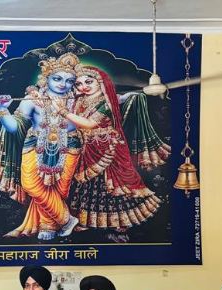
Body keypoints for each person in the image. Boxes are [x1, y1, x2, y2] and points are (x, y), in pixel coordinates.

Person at [0, 53, 81, 239]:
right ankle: (67, 220)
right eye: (57, 78)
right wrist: (1, 108)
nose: (63, 84)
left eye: (69, 81)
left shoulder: (79, 101)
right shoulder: (32, 100)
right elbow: (14, 127)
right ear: (46, 78)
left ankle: (48, 226)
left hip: (69, 146)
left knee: (59, 190)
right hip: (35, 145)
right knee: (31, 185)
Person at [67, 66, 163, 232]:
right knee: (88, 186)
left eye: (89, 82)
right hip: (88, 148)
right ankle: (86, 221)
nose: (84, 87)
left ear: (100, 82)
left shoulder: (106, 103)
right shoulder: (80, 100)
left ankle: (122, 221)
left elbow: (89, 124)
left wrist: (62, 112)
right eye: (79, 84)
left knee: (114, 186)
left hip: (108, 149)